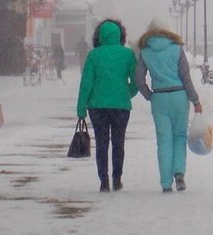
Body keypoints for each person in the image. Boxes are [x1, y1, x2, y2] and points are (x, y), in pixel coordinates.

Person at [135, 20, 202, 193]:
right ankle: (179, 173)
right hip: (179, 96)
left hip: (159, 98)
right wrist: (196, 101)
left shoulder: (145, 52)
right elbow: (186, 77)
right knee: (180, 136)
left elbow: (138, 79)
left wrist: (149, 95)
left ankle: (166, 183)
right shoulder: (176, 49)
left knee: (164, 141)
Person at [76, 19, 138, 192]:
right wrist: (127, 93)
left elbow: (86, 82)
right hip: (121, 106)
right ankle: (117, 179)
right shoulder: (127, 55)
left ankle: (104, 181)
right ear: (120, 35)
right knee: (119, 143)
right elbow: (136, 80)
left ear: (99, 36)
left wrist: (81, 107)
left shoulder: (94, 55)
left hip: (97, 106)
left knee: (102, 144)